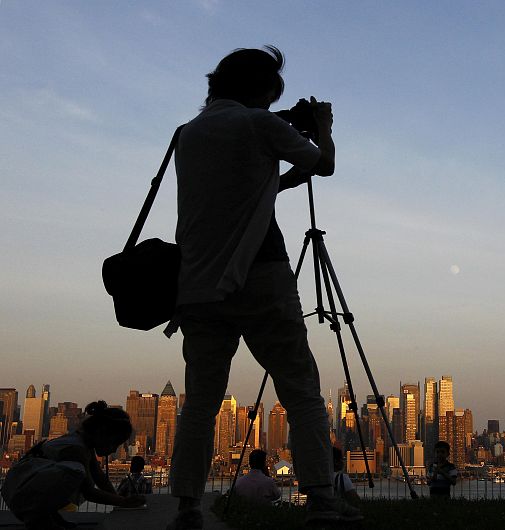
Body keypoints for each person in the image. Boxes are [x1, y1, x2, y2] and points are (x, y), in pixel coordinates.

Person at [166, 45, 361, 529]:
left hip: (197, 286)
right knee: (301, 389)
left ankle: (187, 509)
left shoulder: (188, 134)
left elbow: (241, 192)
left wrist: (282, 169)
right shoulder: (258, 124)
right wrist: (322, 128)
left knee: (200, 405)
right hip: (261, 275)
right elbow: (326, 164)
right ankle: (320, 501)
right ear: (261, 90)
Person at [2, 401, 146, 529]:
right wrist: (124, 502)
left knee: (75, 473)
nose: (114, 449)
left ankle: (49, 516)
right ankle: (37, 519)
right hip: (22, 495)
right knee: (76, 473)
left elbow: (100, 478)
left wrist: (119, 501)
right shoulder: (76, 449)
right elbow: (89, 492)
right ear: (103, 433)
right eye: (115, 443)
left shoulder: (81, 443)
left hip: (18, 487)